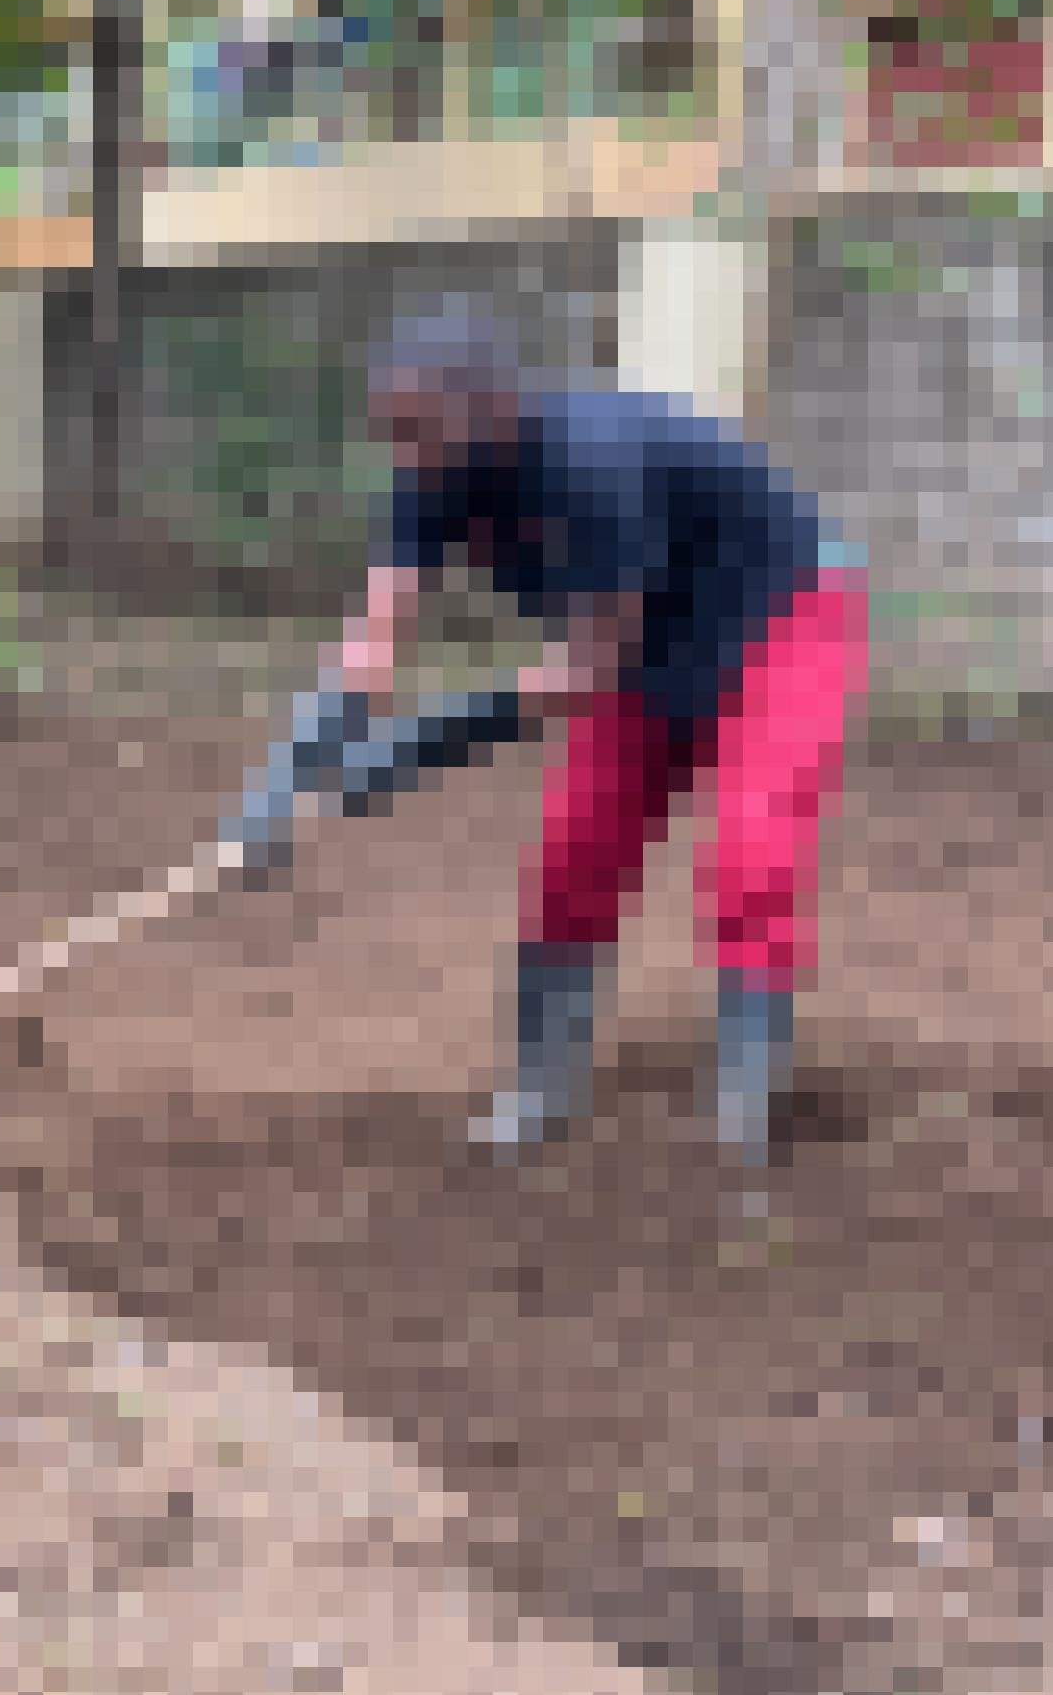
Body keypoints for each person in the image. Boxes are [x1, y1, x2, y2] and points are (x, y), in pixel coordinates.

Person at [325, 309, 868, 1163]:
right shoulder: (427, 479)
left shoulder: (589, 466)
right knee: (576, 848)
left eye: (416, 434)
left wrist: (423, 744)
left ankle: (740, 1113)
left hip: (777, 621)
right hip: (638, 644)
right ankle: (539, 1086)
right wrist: (303, 771)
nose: (403, 460)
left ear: (489, 411)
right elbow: (370, 642)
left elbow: (584, 675)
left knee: (750, 850)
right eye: (388, 436)